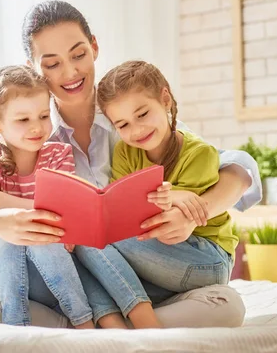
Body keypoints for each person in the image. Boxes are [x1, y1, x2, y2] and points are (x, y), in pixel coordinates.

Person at [0, 0, 261, 328]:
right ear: (34, 68)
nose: (70, 72)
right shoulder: (26, 131)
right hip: (64, 277)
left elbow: (235, 168)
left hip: (136, 272)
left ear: (94, 48)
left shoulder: (129, 116)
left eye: (78, 55)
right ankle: (102, 323)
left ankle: (93, 323)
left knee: (225, 305)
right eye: (52, 64)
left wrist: (196, 210)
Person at [73, 60, 239, 328]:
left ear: (165, 99)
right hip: (157, 259)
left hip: (206, 258)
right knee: (88, 257)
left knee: (91, 237)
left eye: (142, 114)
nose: (136, 130)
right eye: (123, 124)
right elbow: (122, 208)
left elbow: (176, 222)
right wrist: (171, 196)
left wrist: (171, 198)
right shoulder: (125, 152)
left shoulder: (199, 153)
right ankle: (114, 323)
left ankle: (143, 324)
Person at [0, 64, 94, 328]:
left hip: (48, 257)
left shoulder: (59, 155)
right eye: (23, 120)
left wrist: (1, 199)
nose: (37, 127)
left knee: (42, 236)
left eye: (43, 116)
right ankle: (16, 327)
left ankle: (85, 325)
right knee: (7, 233)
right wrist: (31, 212)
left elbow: (62, 215)